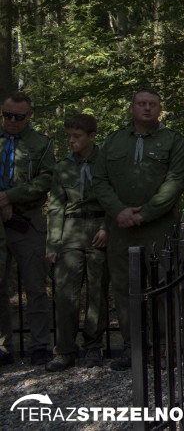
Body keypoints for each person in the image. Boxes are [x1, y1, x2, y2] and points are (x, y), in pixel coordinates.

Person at [93, 87, 184, 369]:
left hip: (159, 228)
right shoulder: (113, 141)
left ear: (160, 109)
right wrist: (118, 212)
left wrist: (144, 214)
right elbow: (99, 180)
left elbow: (176, 181)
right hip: (120, 228)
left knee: (163, 286)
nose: (147, 108)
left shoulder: (173, 141)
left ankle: (165, 349)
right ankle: (132, 348)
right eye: (141, 104)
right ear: (132, 107)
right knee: (124, 289)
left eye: (153, 104)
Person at [44, 114, 108, 371]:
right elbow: (57, 206)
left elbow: (114, 197)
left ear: (91, 137)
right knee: (65, 293)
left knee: (97, 293)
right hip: (71, 231)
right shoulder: (62, 167)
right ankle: (64, 350)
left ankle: (93, 346)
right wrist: (52, 244)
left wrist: (106, 228)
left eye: (76, 136)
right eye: (68, 136)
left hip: (98, 230)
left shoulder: (106, 162)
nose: (71, 140)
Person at [0, 91, 55, 365]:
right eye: (7, 115)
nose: (11, 121)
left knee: (35, 285)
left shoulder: (41, 144)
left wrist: (12, 196)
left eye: (18, 117)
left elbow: (46, 179)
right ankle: (2, 346)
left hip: (28, 222)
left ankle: (40, 345)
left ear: (29, 116)